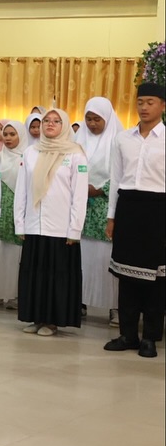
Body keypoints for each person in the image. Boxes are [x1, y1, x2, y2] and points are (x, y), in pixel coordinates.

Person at [104, 83, 166, 358]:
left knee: (155, 277)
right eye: (140, 102)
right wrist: (111, 216)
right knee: (126, 275)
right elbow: (116, 179)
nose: (144, 107)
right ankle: (127, 334)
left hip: (158, 209)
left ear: (162, 105)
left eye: (150, 102)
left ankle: (150, 336)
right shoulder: (123, 139)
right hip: (128, 206)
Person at [14, 109, 88, 337]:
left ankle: (52, 321)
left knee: (56, 275)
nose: (50, 124)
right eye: (46, 120)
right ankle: (37, 318)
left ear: (64, 125)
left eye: (56, 121)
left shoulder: (75, 154)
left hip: (61, 227)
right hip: (34, 224)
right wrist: (20, 223)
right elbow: (21, 190)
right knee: (35, 273)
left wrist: (74, 229)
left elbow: (79, 195)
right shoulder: (30, 152)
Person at [74, 97, 123, 326]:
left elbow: (123, 173)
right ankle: (79, 303)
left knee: (106, 258)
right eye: (89, 119)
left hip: (106, 208)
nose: (92, 124)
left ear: (108, 119)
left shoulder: (118, 140)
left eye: (97, 119)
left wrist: (100, 189)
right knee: (82, 258)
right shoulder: (78, 140)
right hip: (80, 207)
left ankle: (115, 307)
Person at [0, 120, 27, 309]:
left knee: (14, 255)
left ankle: (13, 295)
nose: (8, 138)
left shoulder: (27, 157)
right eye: (5, 134)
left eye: (12, 134)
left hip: (17, 211)